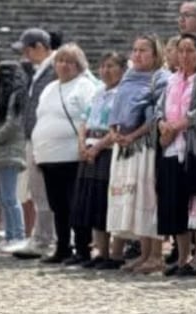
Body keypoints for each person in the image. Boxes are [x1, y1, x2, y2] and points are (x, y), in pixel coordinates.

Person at [156, 35, 196, 277]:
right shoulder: (172, 79)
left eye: (190, 51)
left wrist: (177, 125)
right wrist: (162, 124)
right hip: (172, 149)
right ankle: (182, 257)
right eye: (180, 50)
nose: (184, 55)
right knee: (175, 204)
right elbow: (158, 109)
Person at [107, 35, 169, 274]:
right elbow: (117, 108)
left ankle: (155, 254)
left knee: (147, 198)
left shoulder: (161, 78)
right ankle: (143, 254)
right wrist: (114, 132)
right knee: (132, 199)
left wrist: (133, 136)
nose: (138, 55)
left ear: (156, 54)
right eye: (135, 50)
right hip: (123, 146)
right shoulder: (128, 78)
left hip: (145, 145)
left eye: (144, 50)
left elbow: (156, 113)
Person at [32, 44, 96, 264]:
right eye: (60, 60)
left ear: (79, 65)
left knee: (75, 204)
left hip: (72, 155)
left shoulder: (84, 86)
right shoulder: (49, 88)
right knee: (57, 205)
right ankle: (62, 246)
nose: (64, 65)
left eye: (70, 61)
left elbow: (89, 117)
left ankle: (82, 248)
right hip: (48, 156)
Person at [74, 52, 125, 269]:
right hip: (89, 150)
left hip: (106, 150)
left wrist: (96, 148)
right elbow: (84, 121)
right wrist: (82, 145)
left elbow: (117, 127)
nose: (105, 70)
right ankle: (100, 251)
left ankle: (114, 253)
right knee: (92, 203)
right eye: (102, 66)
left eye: (111, 66)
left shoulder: (122, 94)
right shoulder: (98, 92)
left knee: (106, 203)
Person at [10, 28, 57, 259]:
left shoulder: (54, 68)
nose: (25, 55)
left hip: (45, 139)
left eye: (28, 50)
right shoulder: (39, 70)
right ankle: (42, 236)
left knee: (44, 192)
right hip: (35, 136)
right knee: (38, 192)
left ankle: (44, 239)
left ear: (39, 47)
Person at [0, 61, 29, 253]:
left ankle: (18, 235)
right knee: (3, 198)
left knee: (10, 197)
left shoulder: (17, 95)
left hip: (9, 150)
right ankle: (10, 234)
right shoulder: (4, 96)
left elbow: (13, 124)